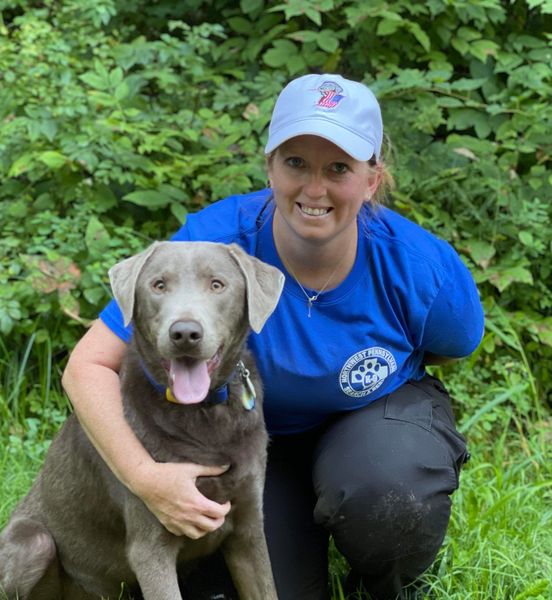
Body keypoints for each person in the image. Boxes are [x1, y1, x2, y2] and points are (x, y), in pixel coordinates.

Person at [62, 73, 484, 600]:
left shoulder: (420, 268)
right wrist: (145, 478)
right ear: (269, 166)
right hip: (256, 444)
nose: (314, 188)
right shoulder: (211, 247)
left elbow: (452, 348)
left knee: (388, 493)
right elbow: (88, 366)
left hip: (371, 423)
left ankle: (384, 578)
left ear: (371, 179)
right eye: (295, 163)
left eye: (338, 168)